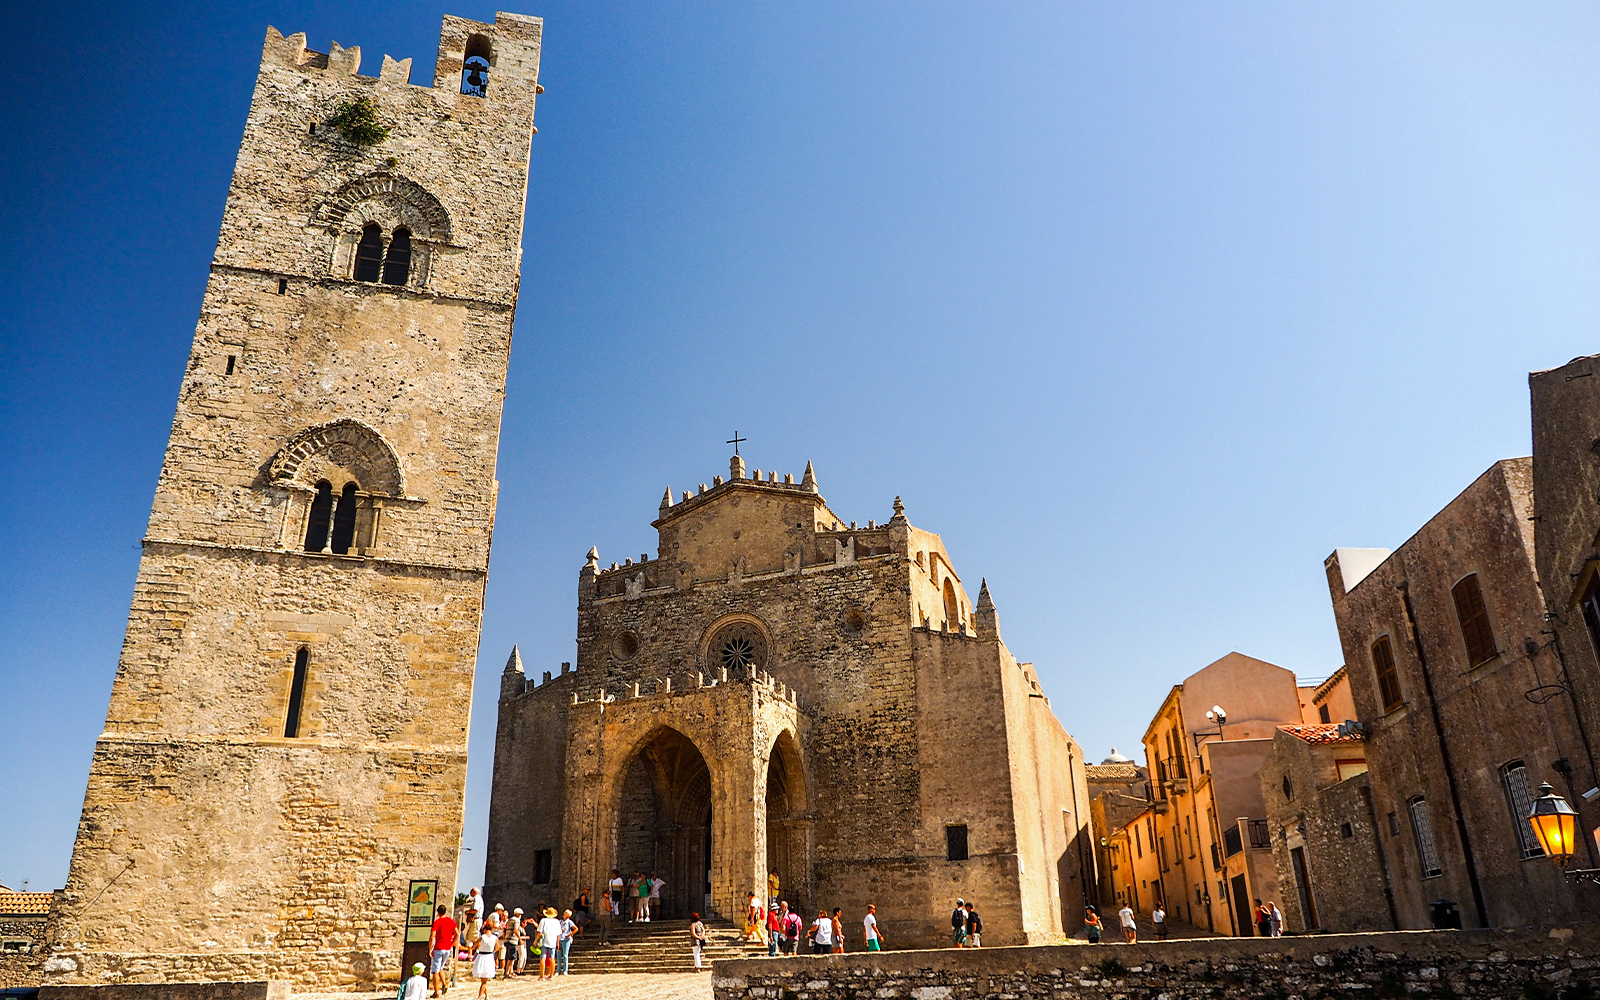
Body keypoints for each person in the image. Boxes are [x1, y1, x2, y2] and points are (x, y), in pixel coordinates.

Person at [429, 903, 457, 998]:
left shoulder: (437, 922)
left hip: (438, 948)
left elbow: (432, 936)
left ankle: (436, 992)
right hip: (447, 948)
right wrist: (452, 943)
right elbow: (456, 933)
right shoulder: (451, 921)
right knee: (440, 967)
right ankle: (444, 984)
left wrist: (430, 948)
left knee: (435, 971)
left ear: (438, 912)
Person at [472, 922, 499, 998]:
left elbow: (474, 946)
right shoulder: (495, 938)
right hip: (489, 956)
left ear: (485, 930)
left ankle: (479, 997)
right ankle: (486, 996)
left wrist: (476, 947)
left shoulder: (482, 937)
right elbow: (497, 948)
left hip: (481, 956)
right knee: (484, 979)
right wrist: (492, 951)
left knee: (483, 980)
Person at [537, 906, 561, 980]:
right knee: (552, 958)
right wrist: (558, 943)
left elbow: (539, 932)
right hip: (553, 942)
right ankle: (551, 975)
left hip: (544, 941)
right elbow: (558, 934)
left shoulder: (543, 920)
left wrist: (536, 940)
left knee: (543, 958)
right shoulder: (557, 921)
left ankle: (542, 975)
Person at [557, 909, 577, 975]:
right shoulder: (560, 922)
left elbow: (576, 929)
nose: (564, 914)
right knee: (559, 956)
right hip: (560, 939)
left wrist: (569, 935)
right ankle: (558, 970)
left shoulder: (569, 922)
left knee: (565, 955)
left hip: (566, 940)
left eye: (565, 913)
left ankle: (565, 970)